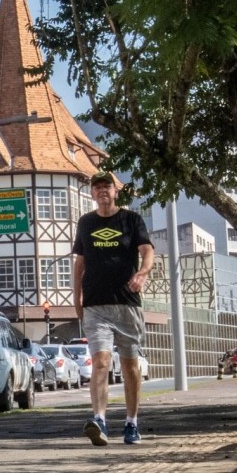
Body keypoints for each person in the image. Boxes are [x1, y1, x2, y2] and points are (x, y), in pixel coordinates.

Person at [72, 169, 154, 446]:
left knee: (131, 366)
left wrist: (142, 273)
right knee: (101, 362)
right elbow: (79, 264)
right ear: (92, 193)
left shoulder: (131, 220)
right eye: (97, 188)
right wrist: (76, 298)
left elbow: (147, 251)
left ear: (115, 191)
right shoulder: (85, 223)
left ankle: (131, 423)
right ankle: (99, 420)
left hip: (127, 304)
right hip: (95, 304)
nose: (102, 191)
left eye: (107, 186)